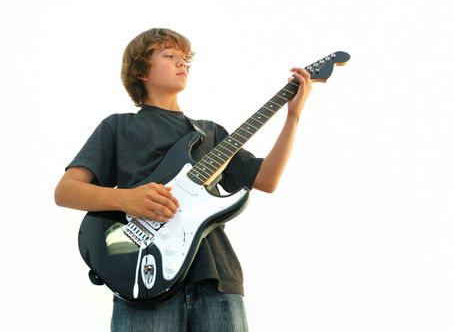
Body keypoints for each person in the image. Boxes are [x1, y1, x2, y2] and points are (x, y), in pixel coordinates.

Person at [54, 28, 312, 332]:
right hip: (143, 277)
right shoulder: (118, 127)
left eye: (185, 59)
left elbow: (266, 180)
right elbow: (66, 191)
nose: (182, 63)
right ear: (141, 72)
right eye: (170, 55)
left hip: (217, 277)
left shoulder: (210, 133)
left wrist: (293, 117)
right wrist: (128, 198)